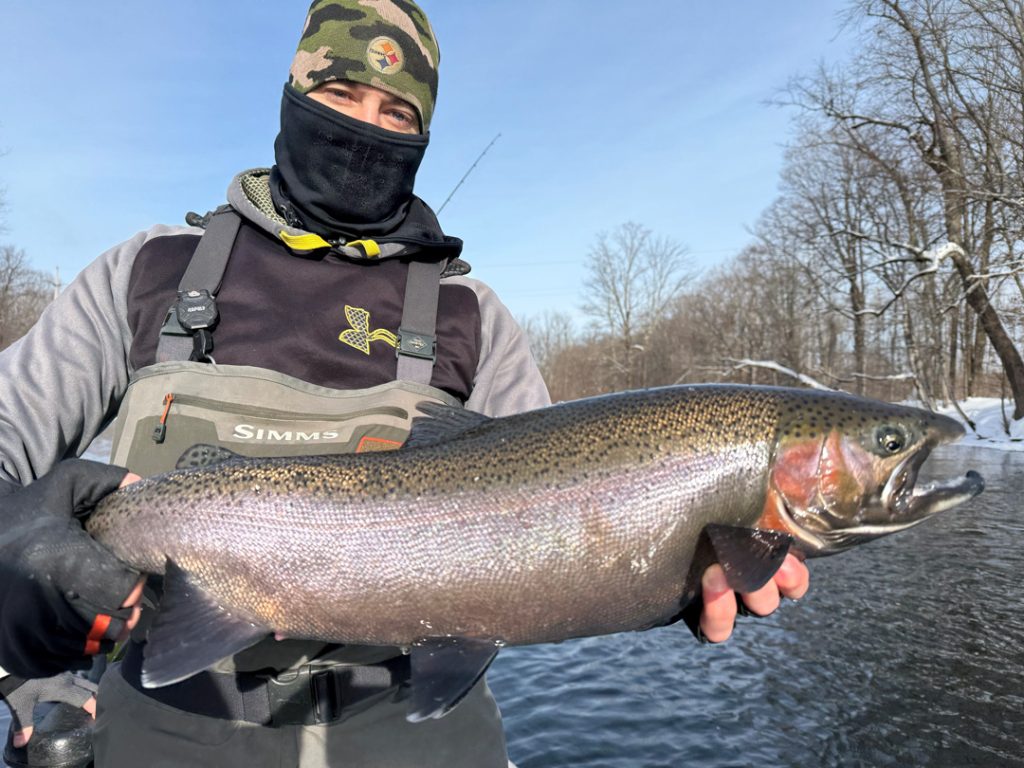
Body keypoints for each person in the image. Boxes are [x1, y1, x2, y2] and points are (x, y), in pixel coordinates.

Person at [0, 1, 810, 766]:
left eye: (399, 115)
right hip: (170, 717)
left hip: (413, 731)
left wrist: (666, 564)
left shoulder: (469, 312)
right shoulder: (150, 270)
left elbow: (564, 515)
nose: (366, 127)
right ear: (292, 96)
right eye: (342, 93)